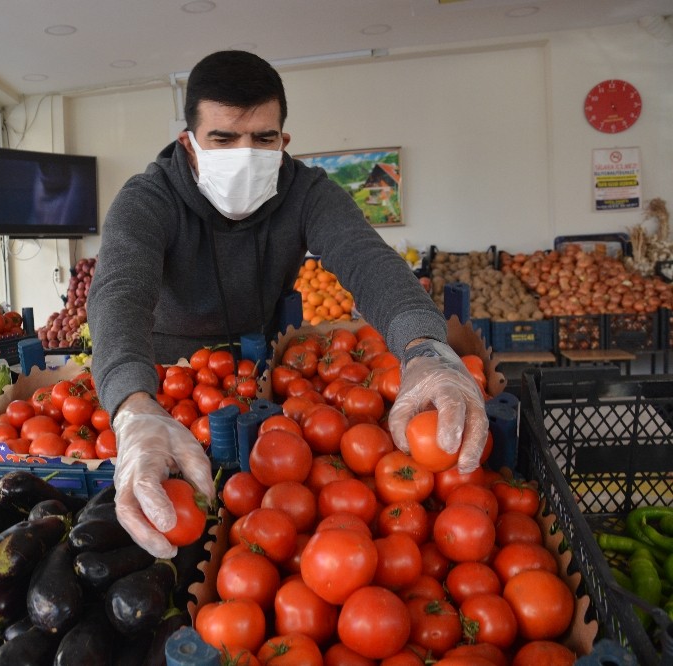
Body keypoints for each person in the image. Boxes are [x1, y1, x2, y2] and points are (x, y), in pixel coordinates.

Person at [86, 50, 488, 559]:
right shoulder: (148, 198)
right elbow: (119, 292)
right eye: (223, 139)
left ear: (284, 142)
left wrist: (424, 348)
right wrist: (131, 406)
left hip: (263, 369)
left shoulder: (306, 192)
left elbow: (368, 260)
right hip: (169, 378)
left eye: (263, 139)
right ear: (189, 144)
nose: (244, 154)